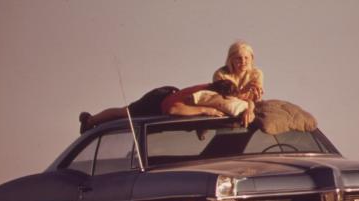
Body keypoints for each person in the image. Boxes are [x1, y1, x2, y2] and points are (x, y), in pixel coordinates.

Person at [78, 80, 237, 134]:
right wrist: (205, 110)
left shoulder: (213, 94)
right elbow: (173, 109)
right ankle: (90, 120)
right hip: (157, 100)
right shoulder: (206, 94)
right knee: (125, 113)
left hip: (169, 94)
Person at [213, 41, 264, 126]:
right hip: (226, 113)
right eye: (238, 58)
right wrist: (243, 91)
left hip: (250, 110)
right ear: (231, 60)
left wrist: (256, 97)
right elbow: (223, 101)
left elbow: (256, 100)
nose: (243, 61)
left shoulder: (257, 74)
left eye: (246, 58)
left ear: (251, 59)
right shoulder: (221, 75)